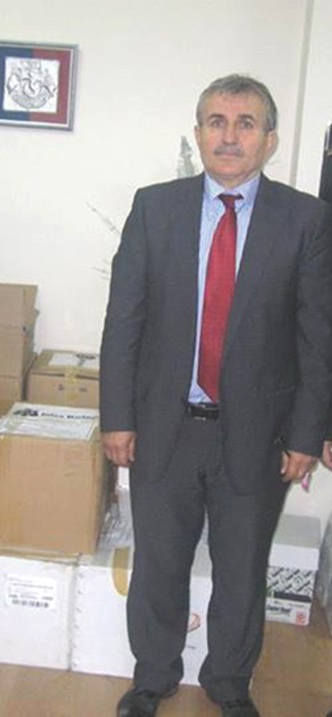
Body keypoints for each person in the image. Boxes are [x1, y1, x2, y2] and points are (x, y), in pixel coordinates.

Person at [100, 74, 332, 717]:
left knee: (242, 569)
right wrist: (116, 417)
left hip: (259, 434)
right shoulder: (155, 208)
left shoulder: (306, 219)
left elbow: (318, 338)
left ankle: (229, 684)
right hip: (164, 426)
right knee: (159, 565)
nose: (229, 137)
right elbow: (124, 321)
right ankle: (152, 678)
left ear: (269, 139)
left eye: (245, 123)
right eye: (216, 122)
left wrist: (307, 434)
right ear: (198, 133)